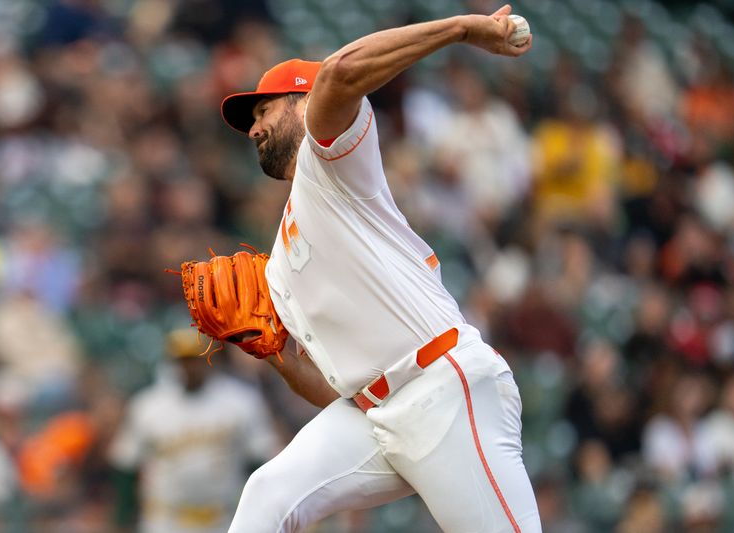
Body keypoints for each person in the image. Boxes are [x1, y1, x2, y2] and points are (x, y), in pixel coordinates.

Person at [218, 5, 541, 532]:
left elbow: (342, 72)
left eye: (263, 110)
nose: (253, 128)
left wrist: (462, 28)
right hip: (374, 416)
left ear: (304, 101)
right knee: (269, 493)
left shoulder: (330, 161)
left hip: (443, 389)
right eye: (250, 121)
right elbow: (331, 387)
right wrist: (275, 356)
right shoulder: (276, 266)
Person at [108, 329, 279, 533]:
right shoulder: (148, 406)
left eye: (195, 359)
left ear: (209, 359)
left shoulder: (240, 400)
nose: (189, 367)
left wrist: (262, 510)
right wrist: (123, 516)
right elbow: (126, 464)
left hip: (224, 518)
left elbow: (260, 459)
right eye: (183, 360)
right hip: (166, 520)